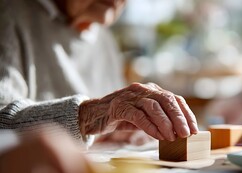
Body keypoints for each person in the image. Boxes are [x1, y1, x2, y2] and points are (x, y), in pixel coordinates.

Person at [0, 0, 198, 146]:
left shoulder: (104, 38)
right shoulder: (8, 15)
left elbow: (108, 120)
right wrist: (89, 115)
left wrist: (114, 131)